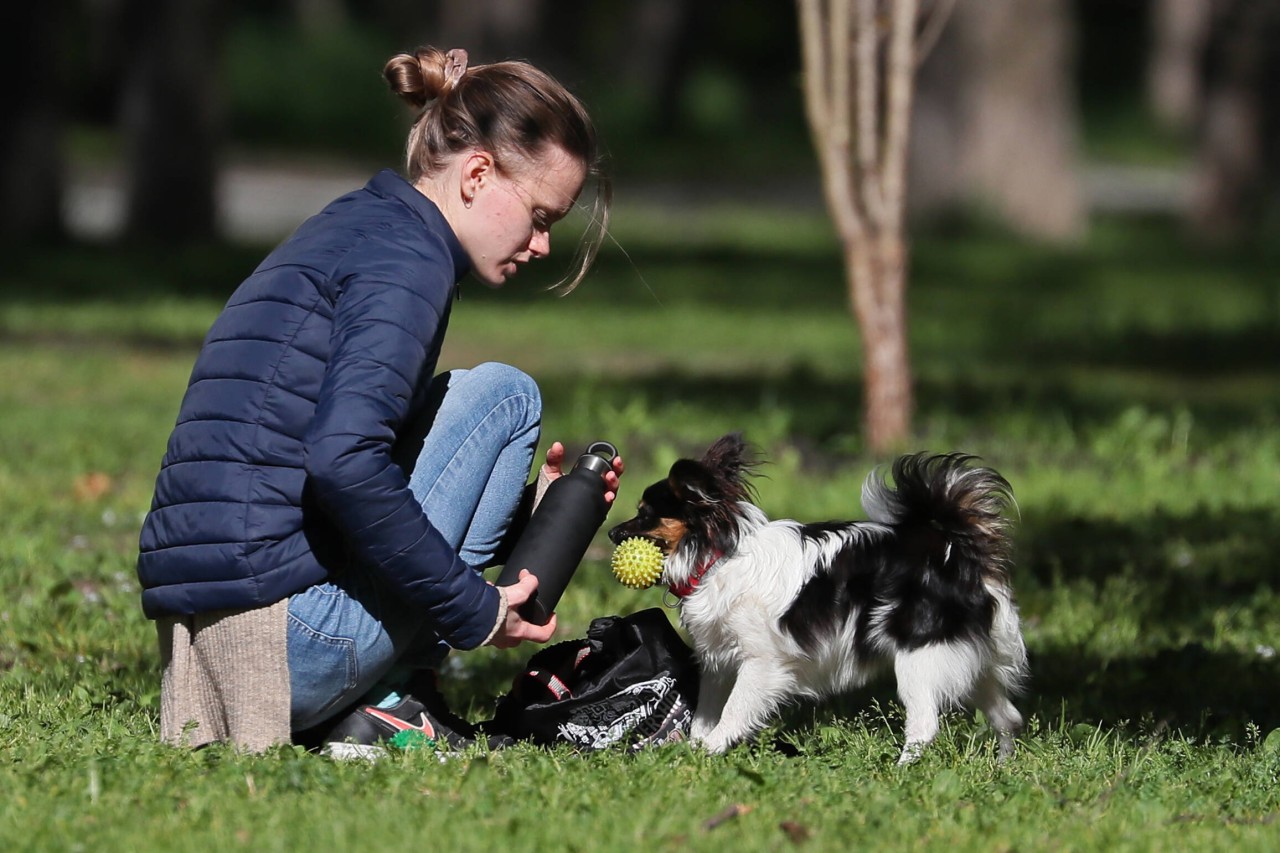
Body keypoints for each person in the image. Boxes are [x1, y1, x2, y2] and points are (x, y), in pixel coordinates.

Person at [136, 46, 622, 753]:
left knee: (450, 400)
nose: (543, 245)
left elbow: (331, 456)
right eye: (541, 216)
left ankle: (375, 695)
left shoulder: (359, 226)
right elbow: (341, 460)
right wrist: (475, 608)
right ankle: (395, 698)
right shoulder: (408, 266)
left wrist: (529, 515)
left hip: (205, 653)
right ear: (477, 173)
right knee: (502, 397)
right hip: (285, 653)